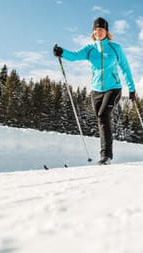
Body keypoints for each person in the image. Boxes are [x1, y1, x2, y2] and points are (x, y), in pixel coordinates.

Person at [53, 17, 136, 165]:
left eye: (101, 29)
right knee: (100, 119)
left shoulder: (115, 48)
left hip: (114, 88)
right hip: (96, 90)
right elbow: (73, 56)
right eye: (96, 29)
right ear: (93, 31)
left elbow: (125, 68)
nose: (99, 32)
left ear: (106, 31)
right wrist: (61, 52)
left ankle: (106, 156)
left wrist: (132, 89)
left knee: (103, 116)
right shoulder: (90, 49)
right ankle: (106, 152)